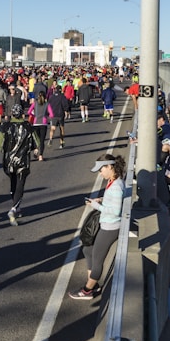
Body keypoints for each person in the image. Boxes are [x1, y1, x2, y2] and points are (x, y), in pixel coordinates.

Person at [69, 154, 126, 300]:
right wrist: (101, 199)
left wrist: (95, 205)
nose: (100, 174)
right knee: (88, 249)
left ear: (110, 166)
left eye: (101, 170)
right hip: (106, 224)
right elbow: (112, 202)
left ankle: (88, 290)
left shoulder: (116, 187)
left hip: (110, 227)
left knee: (97, 259)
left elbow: (115, 210)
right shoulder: (113, 181)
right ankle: (92, 283)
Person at [0, 103, 41, 226]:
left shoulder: (5, 126)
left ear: (11, 113)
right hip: (23, 160)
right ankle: (13, 208)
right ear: (22, 113)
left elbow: (0, 145)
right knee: (20, 184)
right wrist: (36, 151)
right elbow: (36, 142)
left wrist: (6, 151)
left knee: (12, 182)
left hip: (9, 160)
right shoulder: (28, 126)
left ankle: (16, 207)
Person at [47, 85, 70, 149]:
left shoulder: (51, 97)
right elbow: (65, 104)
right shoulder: (62, 96)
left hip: (53, 114)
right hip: (60, 114)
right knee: (61, 128)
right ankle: (61, 142)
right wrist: (66, 111)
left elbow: (48, 105)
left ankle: (51, 138)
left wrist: (48, 113)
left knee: (53, 128)